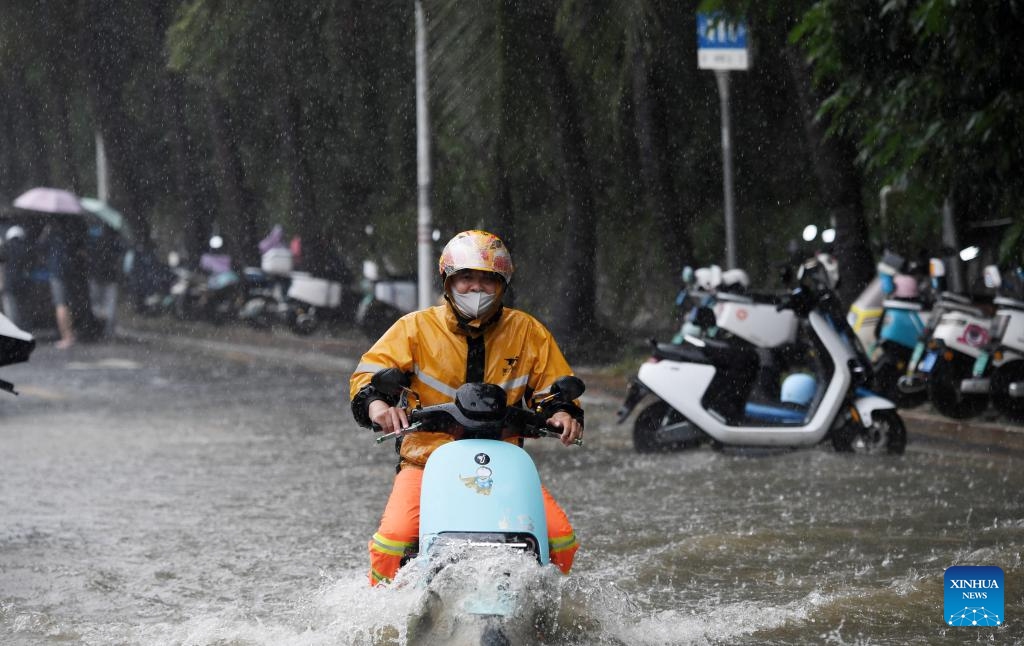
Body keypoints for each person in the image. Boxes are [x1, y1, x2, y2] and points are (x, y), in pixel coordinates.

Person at [349, 229, 583, 586]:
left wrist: (563, 413)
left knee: (561, 539)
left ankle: (545, 611)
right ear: (447, 283)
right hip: (426, 462)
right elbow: (366, 376)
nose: (476, 289)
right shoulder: (414, 328)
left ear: (502, 284)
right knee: (391, 542)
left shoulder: (528, 332)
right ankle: (385, 624)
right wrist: (378, 405)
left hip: (505, 466)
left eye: (487, 281)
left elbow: (555, 388)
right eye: (466, 279)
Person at [41, 221, 77, 349]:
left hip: (57, 273)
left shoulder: (51, 234)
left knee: (60, 305)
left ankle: (66, 336)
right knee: (65, 304)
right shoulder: (66, 234)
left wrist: (45, 234)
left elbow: (40, 248)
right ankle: (69, 334)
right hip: (65, 272)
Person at [86, 223, 125, 338]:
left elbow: (90, 257)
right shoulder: (115, 242)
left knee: (95, 304)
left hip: (96, 276)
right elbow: (119, 256)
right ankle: (108, 330)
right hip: (111, 277)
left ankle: (95, 328)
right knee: (110, 305)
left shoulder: (94, 239)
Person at [1, 225, 30, 329]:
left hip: (9, 283)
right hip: (23, 282)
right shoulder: (26, 248)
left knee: (11, 310)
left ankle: (14, 331)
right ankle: (24, 328)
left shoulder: (6, 247)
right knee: (22, 309)